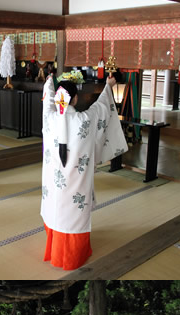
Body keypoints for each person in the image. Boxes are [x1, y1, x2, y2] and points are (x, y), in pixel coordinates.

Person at [41, 73, 128, 270]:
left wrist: (49, 82)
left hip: (55, 188)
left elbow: (47, 101)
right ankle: (72, 256)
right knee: (74, 214)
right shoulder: (85, 120)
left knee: (55, 210)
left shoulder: (49, 118)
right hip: (75, 185)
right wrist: (109, 85)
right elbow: (102, 106)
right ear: (76, 98)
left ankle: (54, 250)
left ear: (58, 99)